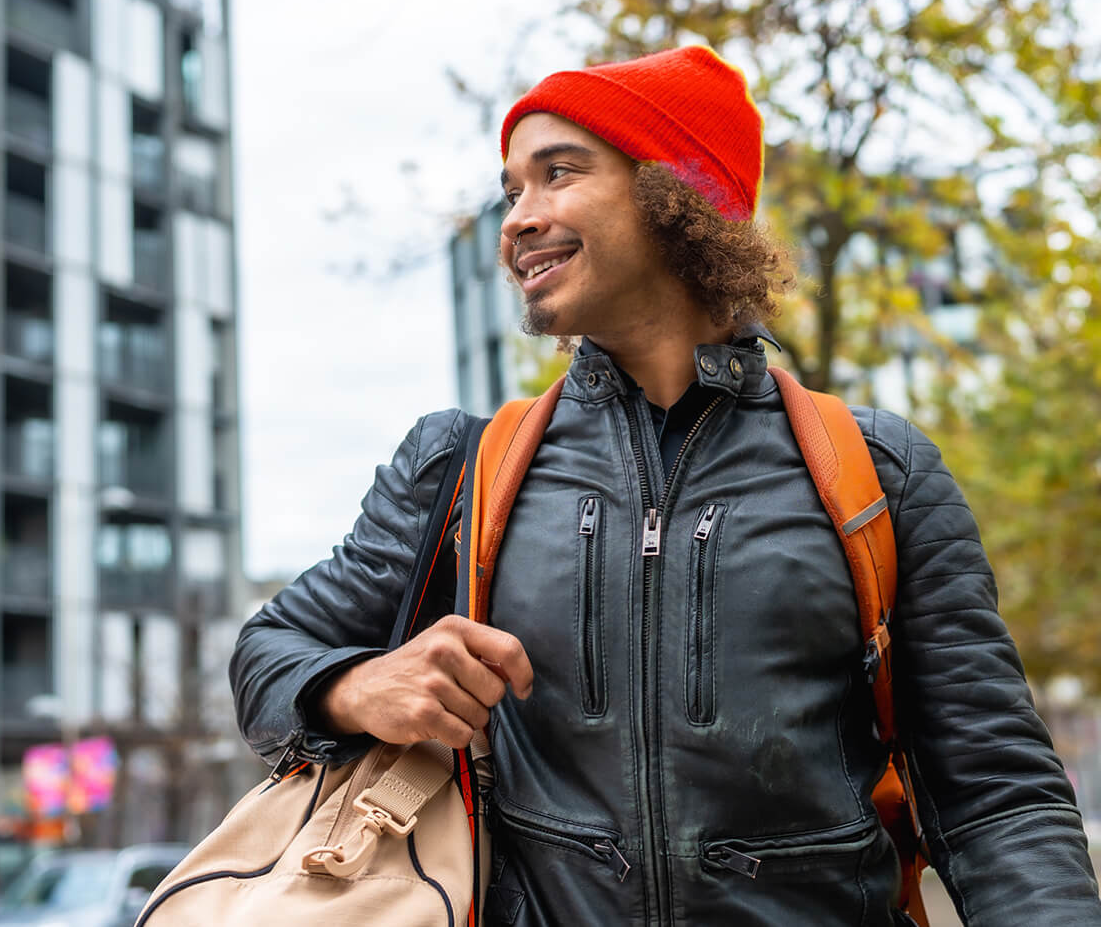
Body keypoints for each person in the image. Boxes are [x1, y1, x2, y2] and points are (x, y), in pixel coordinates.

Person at [229, 46, 1101, 925]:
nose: (518, 219)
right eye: (511, 192)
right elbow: (268, 652)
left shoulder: (879, 473)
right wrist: (352, 688)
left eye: (557, 174)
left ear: (674, 194)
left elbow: (996, 796)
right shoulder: (458, 466)